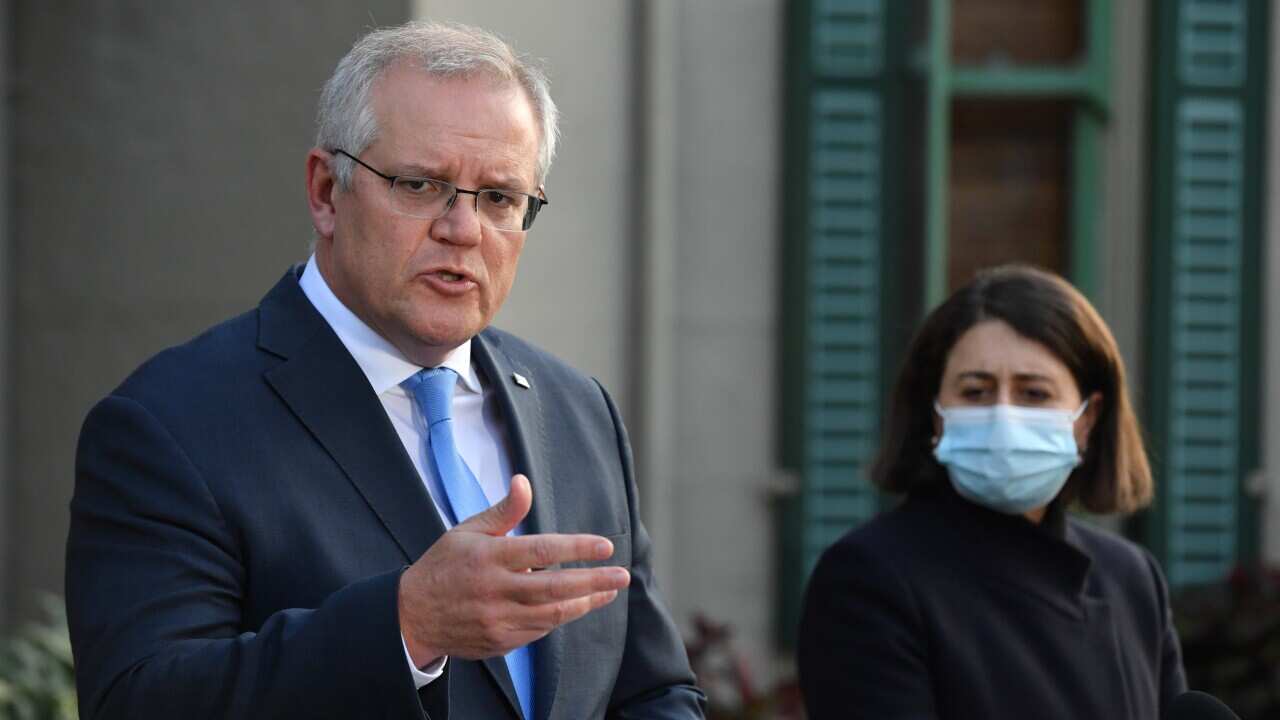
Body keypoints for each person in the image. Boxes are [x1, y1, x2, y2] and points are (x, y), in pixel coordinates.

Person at [66, 21, 705, 720]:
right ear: (324, 191)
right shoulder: (170, 424)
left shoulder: (577, 411)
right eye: (421, 184)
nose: (463, 230)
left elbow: (652, 691)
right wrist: (406, 626)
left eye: (499, 198)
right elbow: (143, 701)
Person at [797, 265, 1186, 719]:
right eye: (976, 391)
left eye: (1034, 393)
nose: (1003, 414)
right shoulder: (869, 578)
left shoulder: (1132, 579)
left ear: (1088, 419)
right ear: (936, 414)